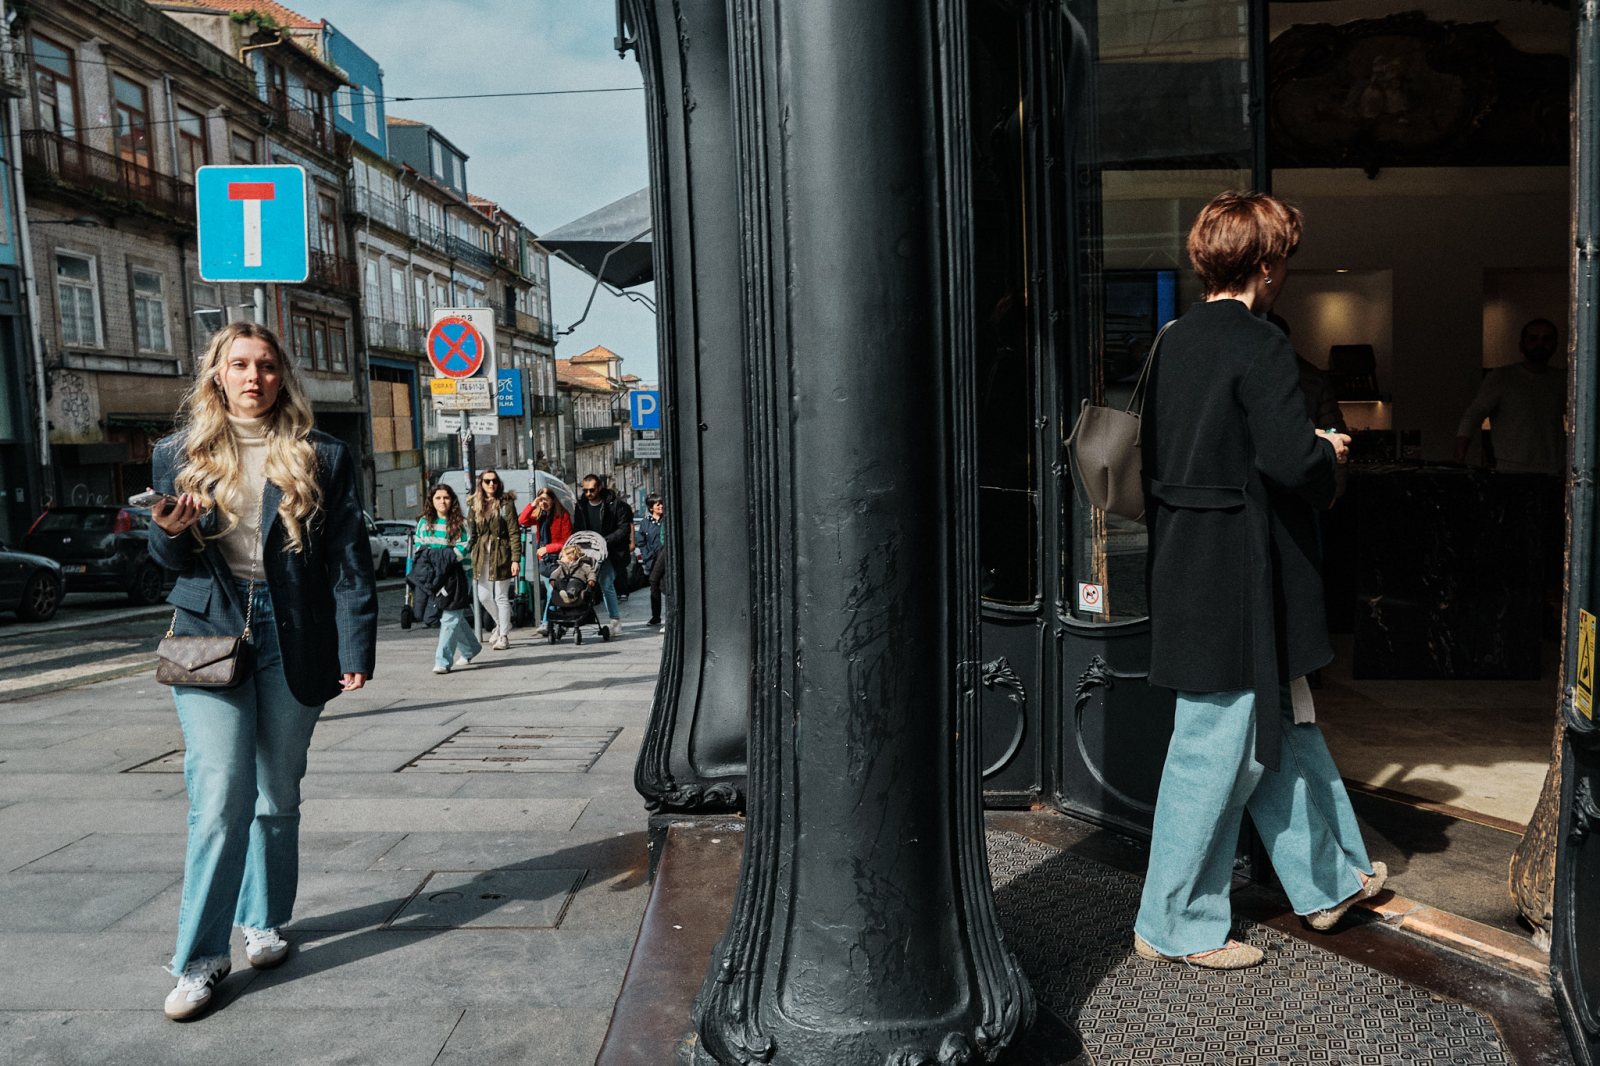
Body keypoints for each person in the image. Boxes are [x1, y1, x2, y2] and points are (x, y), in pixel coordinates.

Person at [1135, 191, 1383, 970]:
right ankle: (1170, 924)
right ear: (1268, 265)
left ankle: (1330, 881)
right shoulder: (1262, 342)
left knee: (1284, 726)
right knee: (1216, 748)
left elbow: (1199, 449)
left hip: (1193, 561)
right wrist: (1330, 455)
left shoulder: (1173, 339)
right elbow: (1286, 460)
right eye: (1284, 260)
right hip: (1239, 574)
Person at [146, 321, 376, 1020]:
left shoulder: (322, 454)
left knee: (277, 793)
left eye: (267, 366)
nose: (254, 378)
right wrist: (170, 533)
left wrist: (354, 646)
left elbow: (347, 557)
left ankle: (264, 921)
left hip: (294, 633)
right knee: (219, 797)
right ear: (217, 374)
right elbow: (167, 567)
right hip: (209, 632)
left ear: (283, 376)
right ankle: (199, 961)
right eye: (240, 365)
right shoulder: (177, 453)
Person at [1453, 318, 1565, 474]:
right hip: (1512, 468)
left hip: (1554, 467)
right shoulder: (1502, 377)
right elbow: (1474, 415)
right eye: (1533, 338)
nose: (1540, 344)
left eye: (1547, 339)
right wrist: (1460, 456)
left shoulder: (1562, 380)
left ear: (1555, 344)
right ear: (1521, 344)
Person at [411, 483, 479, 673]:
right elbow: (419, 547)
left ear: (452, 500)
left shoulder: (462, 523)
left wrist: (441, 557)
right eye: (438, 498)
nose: (442, 501)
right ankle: (471, 648)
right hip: (434, 577)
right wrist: (438, 558)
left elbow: (463, 547)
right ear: (431, 501)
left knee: (450, 617)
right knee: (453, 615)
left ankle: (442, 661)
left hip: (458, 577)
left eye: (446, 498)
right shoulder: (424, 523)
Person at [571, 474, 632, 637]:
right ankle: (576, 616)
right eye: (585, 490)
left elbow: (623, 529)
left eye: (591, 490)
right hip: (588, 551)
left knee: (606, 583)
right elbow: (577, 528)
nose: (588, 493)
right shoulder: (581, 506)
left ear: (599, 488)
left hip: (611, 552)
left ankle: (615, 620)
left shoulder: (615, 505)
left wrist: (604, 541)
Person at [467, 468, 521, 649]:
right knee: (483, 596)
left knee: (501, 596)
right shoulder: (474, 505)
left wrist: (516, 559)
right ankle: (501, 623)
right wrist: (464, 552)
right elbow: (471, 534)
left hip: (502, 555)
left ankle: (504, 636)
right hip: (481, 556)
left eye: (494, 481)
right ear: (481, 484)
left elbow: (514, 532)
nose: (491, 484)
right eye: (487, 481)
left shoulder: (506, 503)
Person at [519, 487, 571, 635]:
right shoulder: (539, 516)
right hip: (545, 561)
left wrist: (547, 548)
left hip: (559, 559)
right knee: (554, 590)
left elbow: (567, 541)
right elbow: (522, 520)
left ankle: (547, 622)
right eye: (541, 499)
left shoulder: (563, 516)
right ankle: (554, 621)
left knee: (552, 589)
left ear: (553, 500)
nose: (544, 503)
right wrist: (533, 504)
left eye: (546, 499)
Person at [637, 495, 667, 626]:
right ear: (651, 508)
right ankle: (656, 616)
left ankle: (664, 615)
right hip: (652, 559)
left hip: (664, 558)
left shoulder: (666, 521)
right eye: (657, 504)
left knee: (657, 582)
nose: (661, 506)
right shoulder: (645, 523)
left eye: (661, 503)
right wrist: (646, 556)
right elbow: (641, 541)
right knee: (656, 585)